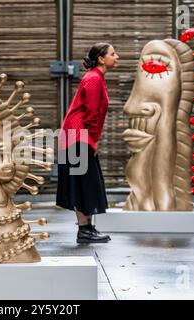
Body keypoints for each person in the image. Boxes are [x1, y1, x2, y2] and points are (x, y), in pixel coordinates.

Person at [56, 42, 119, 243]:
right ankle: (84, 231)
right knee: (83, 184)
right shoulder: (93, 79)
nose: (117, 57)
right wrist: (93, 139)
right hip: (78, 138)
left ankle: (88, 229)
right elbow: (92, 114)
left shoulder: (96, 78)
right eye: (113, 53)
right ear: (101, 59)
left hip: (80, 137)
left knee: (86, 183)